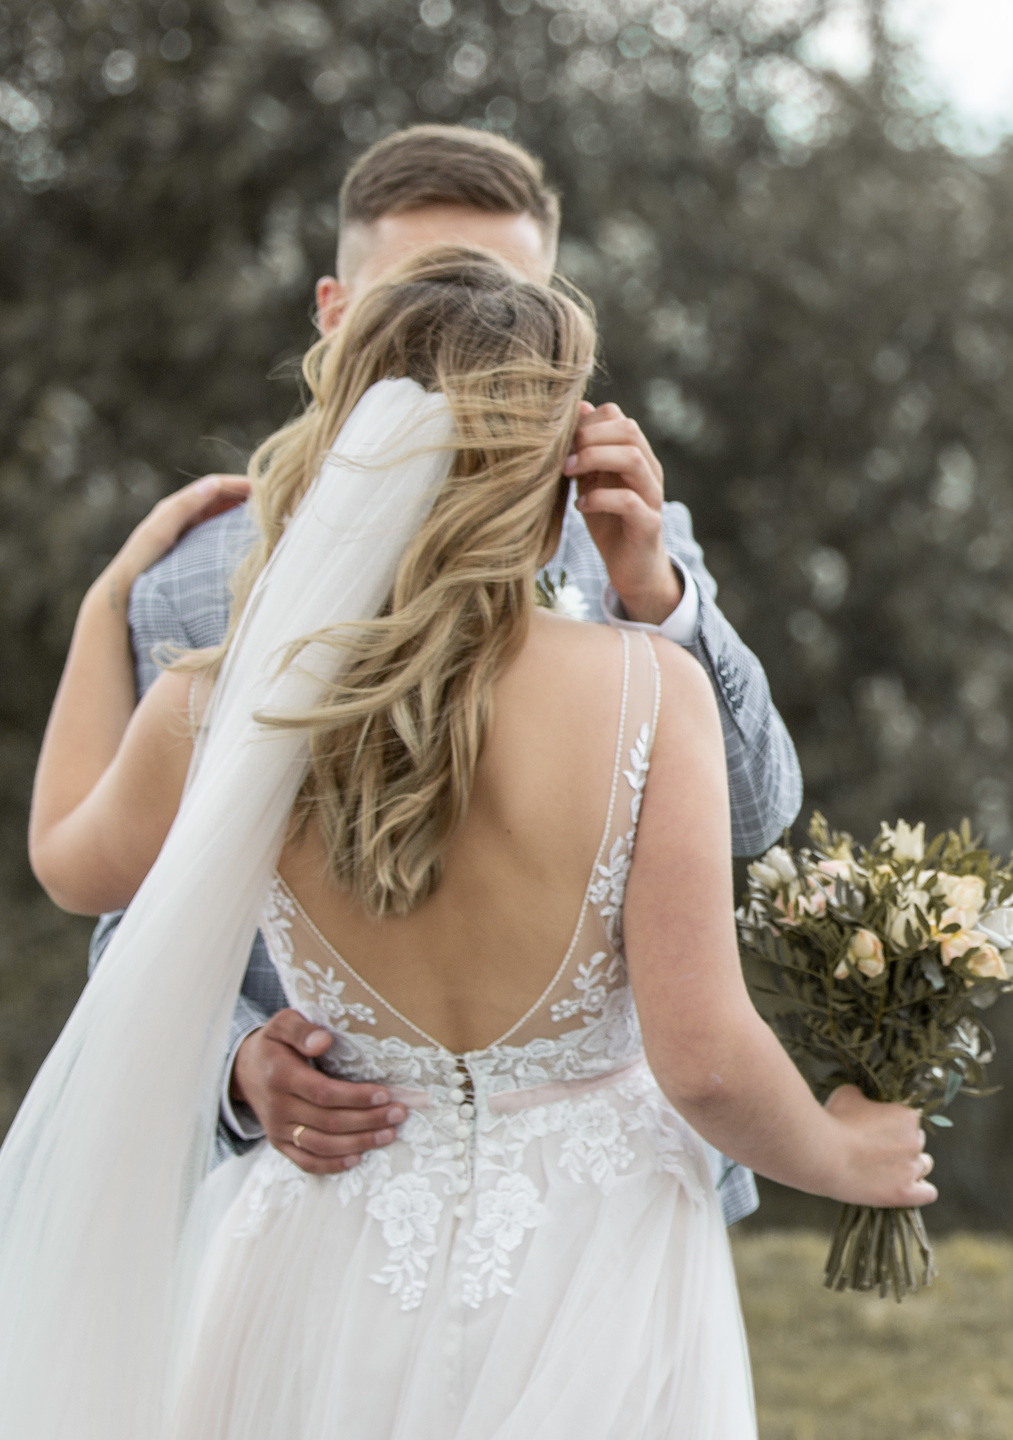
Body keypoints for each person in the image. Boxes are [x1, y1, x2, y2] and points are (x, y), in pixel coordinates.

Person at [13, 246, 933, 1434]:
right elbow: (702, 1058)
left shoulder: (220, 704)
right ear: (559, 457)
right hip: (587, 1262)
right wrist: (843, 1155)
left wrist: (106, 607)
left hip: (323, 1252)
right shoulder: (649, 693)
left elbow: (65, 859)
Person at [91, 124, 797, 1223]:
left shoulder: (632, 540)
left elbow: (758, 820)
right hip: (345, 1182)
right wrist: (234, 1065)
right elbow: (142, 902)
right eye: (425, 299)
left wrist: (659, 596)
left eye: (506, 299)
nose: (472, 339)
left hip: (604, 1186)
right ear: (336, 316)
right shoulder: (196, 587)